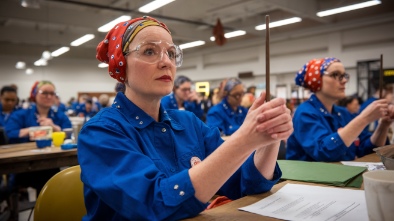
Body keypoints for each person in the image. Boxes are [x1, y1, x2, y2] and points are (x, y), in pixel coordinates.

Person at [78, 16, 293, 220]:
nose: (166, 62)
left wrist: (271, 136)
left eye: (171, 53)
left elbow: (248, 184)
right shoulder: (100, 132)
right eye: (150, 51)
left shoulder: (189, 123)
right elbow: (155, 204)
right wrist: (244, 140)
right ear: (121, 64)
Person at [286, 57, 393, 162]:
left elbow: (367, 149)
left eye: (344, 75)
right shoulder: (305, 113)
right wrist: (364, 119)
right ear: (316, 80)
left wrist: (383, 125)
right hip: (306, 178)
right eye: (335, 75)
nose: (344, 81)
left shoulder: (343, 113)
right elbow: (324, 152)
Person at [5, 81, 72, 144]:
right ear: (35, 95)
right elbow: (8, 134)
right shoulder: (20, 115)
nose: (49, 97)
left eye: (52, 93)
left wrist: (54, 128)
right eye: (44, 93)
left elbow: (70, 135)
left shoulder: (61, 115)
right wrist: (32, 131)